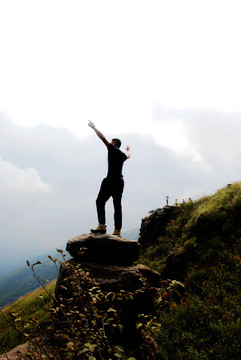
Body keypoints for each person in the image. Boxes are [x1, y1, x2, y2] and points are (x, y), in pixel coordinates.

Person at [88, 120, 130, 236]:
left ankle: (102, 225)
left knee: (100, 201)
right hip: (120, 182)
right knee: (117, 205)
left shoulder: (112, 149)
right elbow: (128, 156)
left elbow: (102, 138)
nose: (110, 143)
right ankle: (117, 230)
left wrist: (94, 127)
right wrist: (128, 150)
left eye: (111, 142)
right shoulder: (122, 155)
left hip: (110, 180)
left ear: (114, 144)